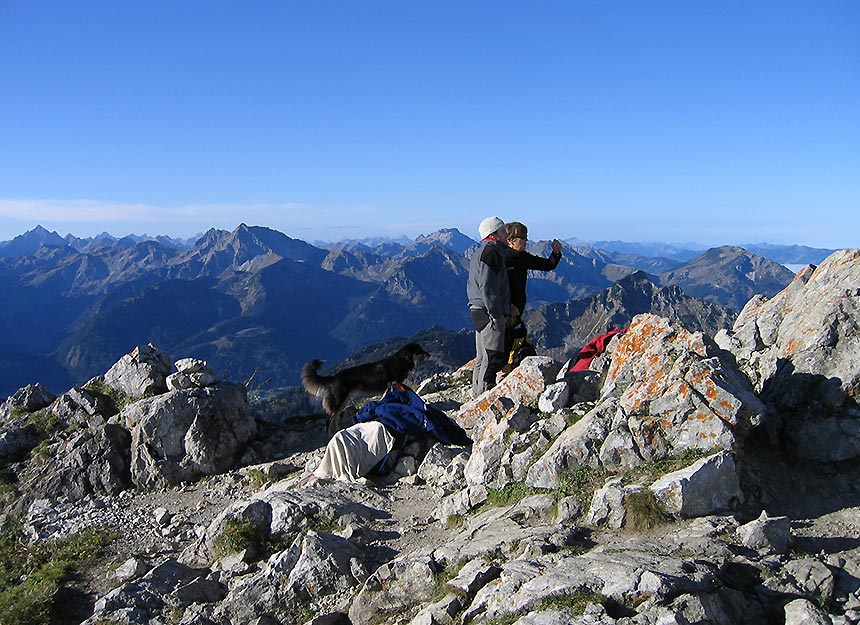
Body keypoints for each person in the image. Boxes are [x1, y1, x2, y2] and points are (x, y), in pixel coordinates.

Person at [467, 216, 519, 398]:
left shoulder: (481, 252)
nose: (507, 234)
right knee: (493, 357)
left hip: (477, 310)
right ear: (494, 233)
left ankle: (476, 394)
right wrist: (497, 314)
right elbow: (488, 287)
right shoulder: (492, 253)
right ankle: (484, 397)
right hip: (488, 312)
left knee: (482, 357)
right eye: (504, 231)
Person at [502, 222, 563, 371]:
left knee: (517, 344)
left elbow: (547, 265)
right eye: (523, 238)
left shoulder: (521, 257)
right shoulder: (501, 258)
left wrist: (555, 253)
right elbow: (494, 287)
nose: (526, 241)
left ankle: (511, 373)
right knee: (508, 346)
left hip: (516, 312)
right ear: (511, 240)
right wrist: (508, 305)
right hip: (504, 312)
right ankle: (504, 375)